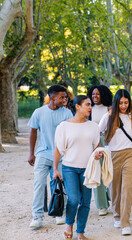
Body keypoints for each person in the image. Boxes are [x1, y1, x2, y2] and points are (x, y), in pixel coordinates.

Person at [99, 89, 132, 236]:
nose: (124, 105)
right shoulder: (108, 117)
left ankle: (125, 223)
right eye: (121, 103)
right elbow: (97, 133)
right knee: (115, 189)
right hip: (112, 155)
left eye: (126, 102)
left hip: (129, 155)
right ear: (116, 102)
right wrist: (98, 150)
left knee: (127, 188)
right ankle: (117, 216)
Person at [53, 95, 102, 240]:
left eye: (90, 105)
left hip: (88, 169)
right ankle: (69, 224)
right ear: (77, 107)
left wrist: (98, 153)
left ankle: (81, 232)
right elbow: (58, 150)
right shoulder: (64, 126)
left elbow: (96, 146)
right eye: (87, 104)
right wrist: (55, 169)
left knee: (85, 202)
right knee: (73, 200)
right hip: (70, 168)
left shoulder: (93, 126)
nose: (90, 107)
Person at [28, 85, 73, 228]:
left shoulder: (67, 113)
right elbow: (33, 132)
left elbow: (71, 134)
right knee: (39, 184)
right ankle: (37, 216)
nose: (65, 99)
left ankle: (59, 213)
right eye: (62, 97)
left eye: (65, 97)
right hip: (42, 154)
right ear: (52, 98)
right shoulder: (39, 112)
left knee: (59, 185)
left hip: (60, 156)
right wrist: (31, 153)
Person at [87, 85, 113, 216]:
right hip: (93, 142)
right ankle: (102, 205)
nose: (94, 96)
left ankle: (111, 199)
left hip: (108, 142)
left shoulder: (109, 108)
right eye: (93, 94)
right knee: (97, 172)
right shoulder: (89, 109)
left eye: (97, 94)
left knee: (108, 172)